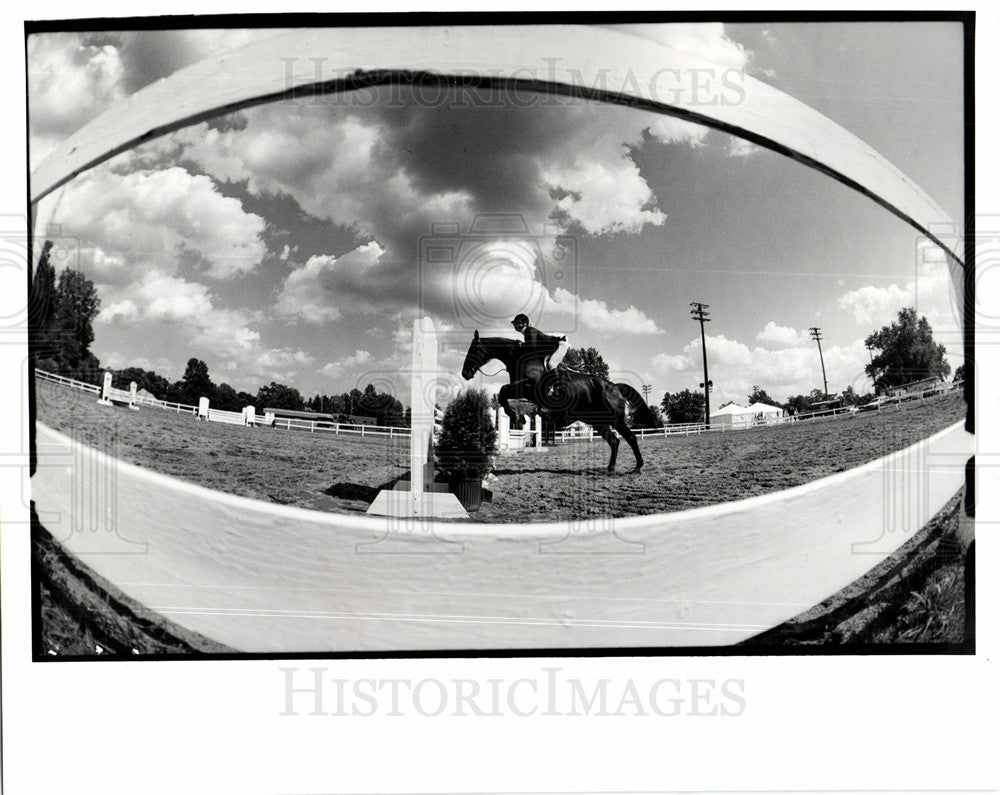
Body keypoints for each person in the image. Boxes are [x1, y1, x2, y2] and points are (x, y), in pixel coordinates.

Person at [511, 313, 569, 398]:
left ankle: (558, 387)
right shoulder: (527, 331)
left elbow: (532, 347)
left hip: (560, 345)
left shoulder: (529, 331)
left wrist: (521, 345)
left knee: (551, 364)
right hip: (550, 349)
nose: (515, 325)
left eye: (517, 323)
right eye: (515, 323)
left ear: (524, 324)